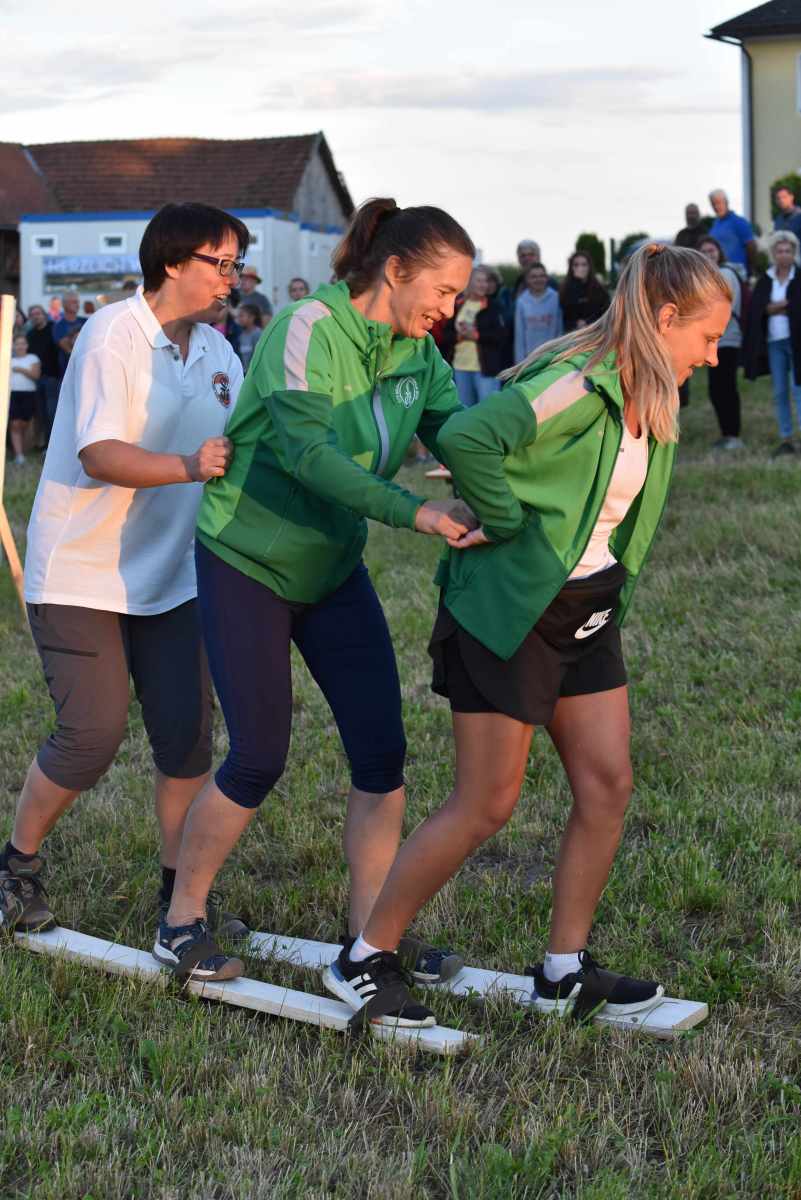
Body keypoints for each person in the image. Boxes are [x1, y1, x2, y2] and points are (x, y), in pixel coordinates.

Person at [322, 244, 732, 1025]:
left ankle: (561, 972)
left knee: (607, 785)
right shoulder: (574, 383)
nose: (713, 355)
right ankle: (363, 957)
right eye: (706, 337)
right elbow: (468, 436)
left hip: (585, 606)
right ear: (664, 318)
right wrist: (506, 521)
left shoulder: (648, 391)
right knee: (485, 803)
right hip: (508, 612)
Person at [158, 197, 478, 1008]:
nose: (449, 310)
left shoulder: (420, 355)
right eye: (442, 291)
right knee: (258, 756)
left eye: (457, 296)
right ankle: (180, 918)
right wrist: (415, 511)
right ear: (395, 270)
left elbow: (465, 438)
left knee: (381, 755)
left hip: (331, 568)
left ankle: (369, 940)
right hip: (248, 562)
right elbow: (307, 454)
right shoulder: (308, 327)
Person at [0, 202, 247, 946]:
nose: (231, 279)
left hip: (174, 577)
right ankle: (16, 867)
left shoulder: (219, 352)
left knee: (185, 739)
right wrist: (188, 466)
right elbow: (99, 453)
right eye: (220, 263)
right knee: (92, 735)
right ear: (172, 262)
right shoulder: (113, 332)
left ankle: (180, 899)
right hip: (81, 573)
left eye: (236, 265)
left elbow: (249, 441)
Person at [743, 230, 801, 456]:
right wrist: (783, 306)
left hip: (796, 344)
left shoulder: (798, 277)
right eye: (780, 251)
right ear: (773, 253)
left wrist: (777, 307)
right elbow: (759, 308)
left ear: (794, 253)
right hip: (774, 343)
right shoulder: (766, 280)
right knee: (780, 392)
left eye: (788, 251)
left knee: (798, 390)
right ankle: (786, 438)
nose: (784, 255)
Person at [440, 265, 512, 408]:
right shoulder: (458, 304)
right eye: (479, 281)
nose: (483, 284)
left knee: (488, 410)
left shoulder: (494, 306)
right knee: (465, 411)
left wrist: (476, 335)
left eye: (486, 281)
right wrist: (460, 336)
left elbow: (501, 336)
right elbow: (446, 335)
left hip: (486, 369)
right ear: (469, 282)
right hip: (460, 367)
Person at [697, 236, 744, 449]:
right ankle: (727, 434)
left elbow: (722, 307)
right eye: (704, 251)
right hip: (715, 341)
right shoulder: (708, 277)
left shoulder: (724, 274)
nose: (708, 254)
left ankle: (733, 436)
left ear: (719, 252)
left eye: (712, 250)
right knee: (717, 389)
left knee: (724, 388)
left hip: (727, 339)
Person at [23, 304, 61, 447]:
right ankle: (46, 445)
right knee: (42, 414)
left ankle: (54, 445)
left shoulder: (53, 329)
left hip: (53, 378)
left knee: (52, 413)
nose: (36, 316)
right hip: (36, 379)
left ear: (44, 314)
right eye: (32, 314)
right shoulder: (30, 335)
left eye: (38, 313)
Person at [514, 263, 563, 361]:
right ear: (527, 280)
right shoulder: (521, 301)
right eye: (534, 277)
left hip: (552, 356)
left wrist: (559, 356)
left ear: (546, 278)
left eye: (542, 276)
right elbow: (519, 335)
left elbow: (560, 330)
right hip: (530, 358)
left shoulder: (556, 297)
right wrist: (519, 362)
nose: (538, 279)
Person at [8, 333, 41, 464]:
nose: (20, 346)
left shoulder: (33, 358)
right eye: (17, 344)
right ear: (13, 346)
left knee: (25, 423)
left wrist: (20, 369)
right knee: (14, 423)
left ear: (27, 345)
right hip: (13, 394)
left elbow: (35, 375)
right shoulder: (9, 360)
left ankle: (24, 449)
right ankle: (19, 455)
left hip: (29, 394)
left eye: (22, 343)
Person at [709, 190, 756, 277]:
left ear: (726, 202)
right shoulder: (715, 224)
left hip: (736, 272)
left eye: (718, 203)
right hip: (719, 272)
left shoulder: (739, 222)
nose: (716, 206)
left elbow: (751, 246)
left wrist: (749, 269)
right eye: (713, 204)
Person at [560, 251, 610, 332]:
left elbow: (605, 311)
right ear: (571, 267)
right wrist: (577, 283)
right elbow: (566, 314)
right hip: (573, 333)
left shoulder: (599, 288)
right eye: (576, 265)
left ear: (589, 267)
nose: (580, 268)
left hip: (595, 332)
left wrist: (587, 322)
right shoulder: (565, 289)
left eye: (584, 265)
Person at [52, 292, 86, 380]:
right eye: (73, 302)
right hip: (67, 373)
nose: (77, 304)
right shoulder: (59, 325)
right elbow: (67, 348)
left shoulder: (85, 321)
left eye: (77, 302)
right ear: (64, 304)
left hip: (85, 370)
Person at [234, 302, 263, 372]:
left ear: (252, 317)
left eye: (241, 316)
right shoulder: (240, 335)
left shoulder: (258, 334)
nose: (239, 319)